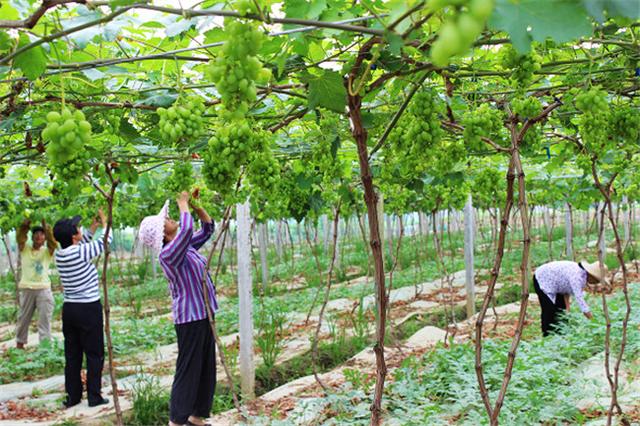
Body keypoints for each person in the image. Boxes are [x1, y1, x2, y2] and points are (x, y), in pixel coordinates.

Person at [138, 192, 217, 426]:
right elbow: (184, 231)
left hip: (204, 314)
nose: (170, 218)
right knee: (188, 369)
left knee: (205, 367)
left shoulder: (184, 246)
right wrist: (183, 205)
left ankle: (196, 416)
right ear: (162, 233)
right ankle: (176, 420)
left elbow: (208, 228)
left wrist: (195, 205)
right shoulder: (168, 254)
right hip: (189, 319)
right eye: (166, 219)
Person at [53, 210, 111, 409]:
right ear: (73, 235)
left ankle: (73, 396)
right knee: (94, 353)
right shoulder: (79, 252)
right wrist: (104, 222)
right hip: (88, 308)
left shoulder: (60, 254)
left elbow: (81, 244)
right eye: (78, 228)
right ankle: (94, 396)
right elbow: (104, 242)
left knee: (73, 355)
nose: (80, 228)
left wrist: (91, 228)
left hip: (70, 310)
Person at [533, 259, 607, 336]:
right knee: (549, 311)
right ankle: (547, 337)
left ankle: (561, 335)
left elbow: (566, 289)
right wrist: (593, 322)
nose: (596, 283)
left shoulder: (581, 275)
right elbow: (580, 300)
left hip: (556, 284)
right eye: (597, 280)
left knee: (561, 311)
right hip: (542, 278)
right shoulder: (577, 277)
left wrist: (567, 309)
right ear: (592, 275)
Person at [15, 218, 57, 349]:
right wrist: (25, 225)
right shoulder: (25, 248)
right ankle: (19, 345)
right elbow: (20, 238)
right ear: (31, 237)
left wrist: (47, 227)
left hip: (43, 290)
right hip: (27, 289)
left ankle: (45, 348)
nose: (39, 235)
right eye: (36, 233)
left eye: (42, 234)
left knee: (44, 320)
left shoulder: (47, 251)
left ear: (45, 238)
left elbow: (53, 244)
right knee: (23, 319)